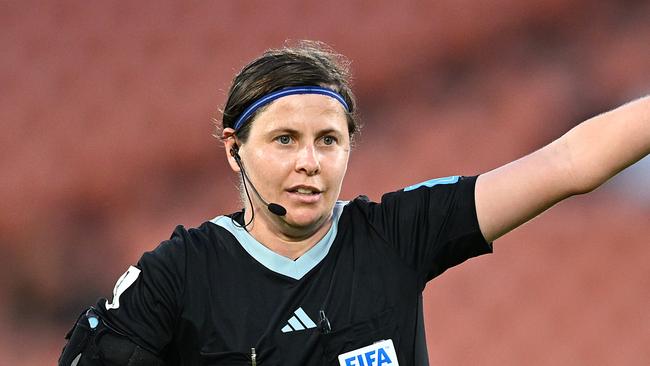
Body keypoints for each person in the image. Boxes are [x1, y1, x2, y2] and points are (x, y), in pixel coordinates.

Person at [59, 40, 649, 366]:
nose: (309, 162)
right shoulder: (178, 274)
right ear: (235, 152)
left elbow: (568, 164)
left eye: (328, 140)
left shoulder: (397, 235)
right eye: (284, 140)